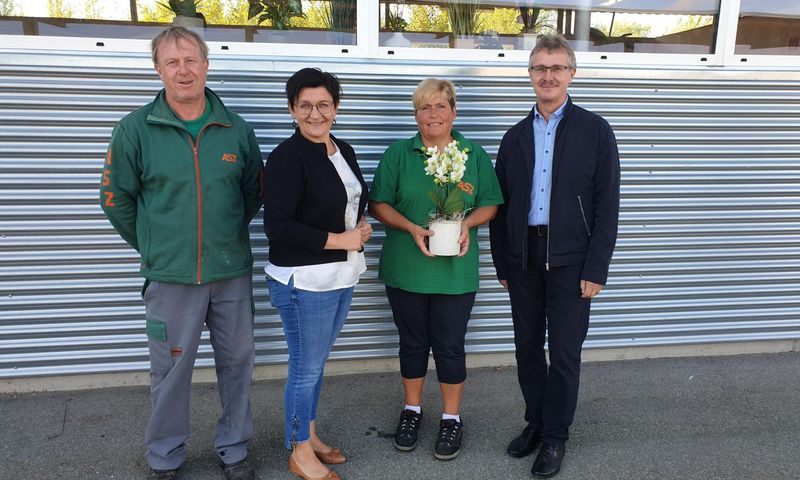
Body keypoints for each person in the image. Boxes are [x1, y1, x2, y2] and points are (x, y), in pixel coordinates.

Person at [99, 27, 262, 480]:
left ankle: (234, 448)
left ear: (206, 65)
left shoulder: (236, 130)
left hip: (230, 272)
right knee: (170, 372)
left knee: (238, 363)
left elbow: (252, 194)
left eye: (191, 60)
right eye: (172, 62)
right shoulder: (134, 130)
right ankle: (166, 457)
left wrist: (220, 238)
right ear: (158, 69)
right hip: (170, 278)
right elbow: (114, 199)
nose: (183, 70)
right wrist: (155, 245)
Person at [489, 34, 620, 478]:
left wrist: (596, 266)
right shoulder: (514, 137)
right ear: (530, 75)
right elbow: (498, 206)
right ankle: (536, 423)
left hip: (572, 261)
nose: (548, 76)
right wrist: (502, 262)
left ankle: (556, 437)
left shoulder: (595, 130)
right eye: (540, 68)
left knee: (564, 354)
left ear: (571, 74)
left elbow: (608, 205)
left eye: (557, 68)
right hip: (524, 257)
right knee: (527, 350)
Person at [369, 78, 503, 461]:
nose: (432, 114)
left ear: (454, 112)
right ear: (415, 115)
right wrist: (411, 227)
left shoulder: (471, 154)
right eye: (424, 107)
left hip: (455, 271)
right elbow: (378, 204)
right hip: (406, 268)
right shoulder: (399, 154)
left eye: (440, 106)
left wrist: (465, 225)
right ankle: (412, 411)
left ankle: (451, 418)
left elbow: (490, 204)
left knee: (449, 346)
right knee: (412, 344)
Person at [262, 68, 371, 480]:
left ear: (336, 108)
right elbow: (279, 227)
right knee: (305, 368)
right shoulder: (287, 158)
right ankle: (298, 449)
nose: (314, 113)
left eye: (323, 104)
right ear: (292, 109)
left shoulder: (341, 148)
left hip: (339, 277)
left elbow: (353, 198)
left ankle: (309, 433)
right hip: (304, 283)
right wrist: (340, 240)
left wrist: (360, 228)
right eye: (305, 105)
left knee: (317, 363)